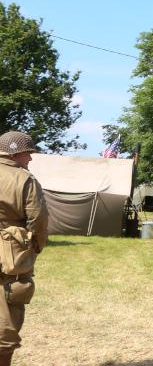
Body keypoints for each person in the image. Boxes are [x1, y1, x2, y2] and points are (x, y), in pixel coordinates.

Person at [0, 131, 48, 366]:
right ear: (17, 152)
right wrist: (36, 246)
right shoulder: (24, 179)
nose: (30, 158)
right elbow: (38, 219)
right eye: (29, 153)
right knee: (7, 316)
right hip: (10, 256)